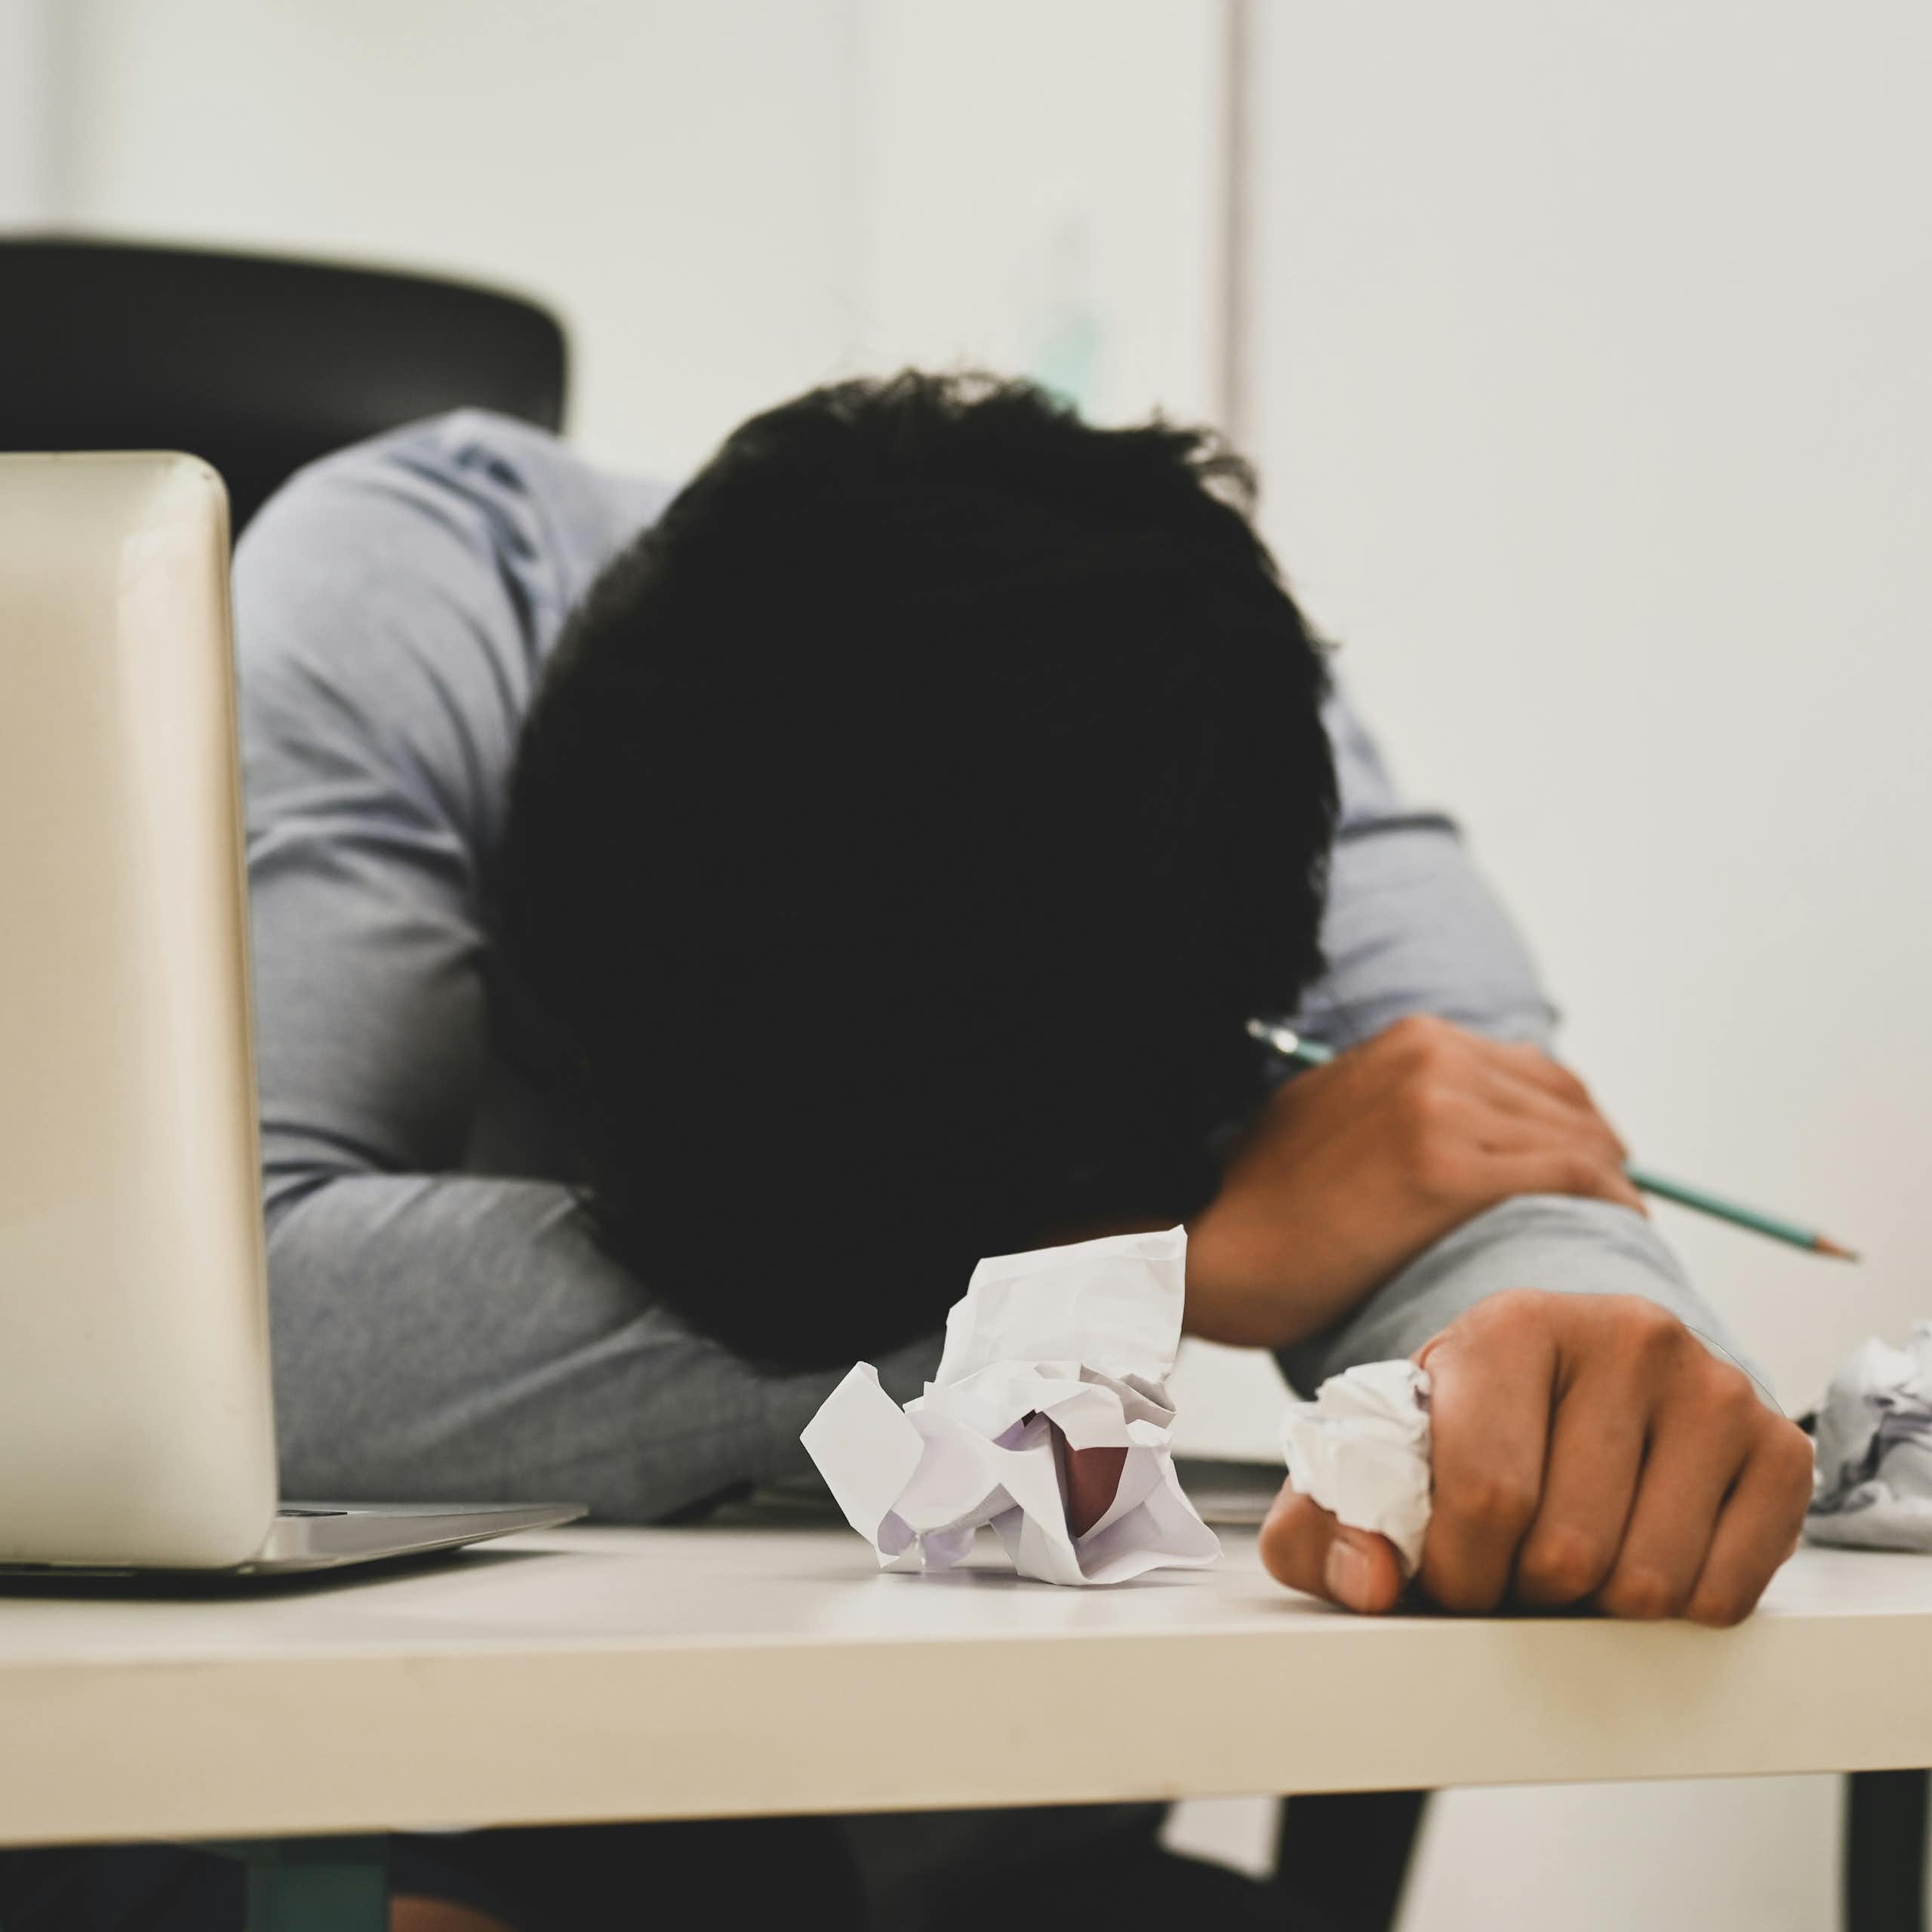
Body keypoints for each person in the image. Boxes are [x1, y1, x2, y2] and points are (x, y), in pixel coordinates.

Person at [226, 373, 1807, 1927]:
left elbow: (1494, 1184)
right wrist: (1137, 1274)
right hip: (399, 1795)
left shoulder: (1189, 754)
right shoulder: (407, 613)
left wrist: (1576, 1358)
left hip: (971, 1836)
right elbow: (236, 1331)